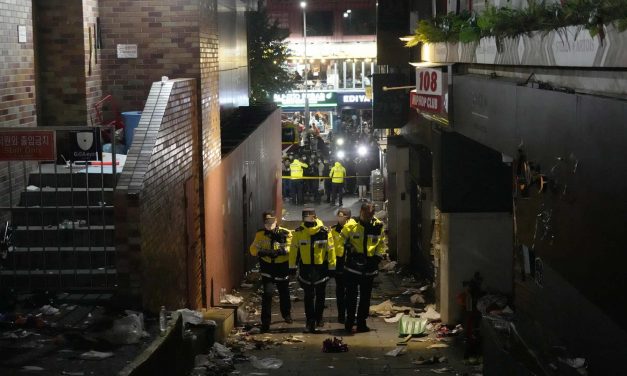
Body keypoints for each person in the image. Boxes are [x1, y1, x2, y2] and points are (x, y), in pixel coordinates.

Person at [341, 202, 387, 333]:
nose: (370, 217)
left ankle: (362, 323)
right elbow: (340, 240)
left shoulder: (377, 226)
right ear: (361, 211)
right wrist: (349, 248)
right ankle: (349, 322)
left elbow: (381, 244)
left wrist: (377, 258)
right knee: (350, 297)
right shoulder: (351, 225)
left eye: (372, 214)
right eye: (367, 214)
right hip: (352, 268)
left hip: (369, 268)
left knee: (365, 298)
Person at [289, 208, 336, 333]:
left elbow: (331, 250)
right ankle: (310, 321)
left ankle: (319, 318)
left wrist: (332, 267)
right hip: (305, 268)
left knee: (320, 295)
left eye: (310, 217)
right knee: (308, 296)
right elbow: (294, 250)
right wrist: (292, 266)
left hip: (321, 269)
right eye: (305, 218)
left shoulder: (325, 232)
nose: (308, 220)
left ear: (315, 217)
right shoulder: (299, 232)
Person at [249, 211, 293, 332]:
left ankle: (286, 314)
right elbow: (252, 249)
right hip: (267, 267)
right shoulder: (260, 234)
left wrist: (281, 251)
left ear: (276, 221)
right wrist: (262, 252)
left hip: (281, 267)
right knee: (267, 294)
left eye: (271, 222)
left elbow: (292, 246)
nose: (269, 225)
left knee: (283, 292)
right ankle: (265, 322)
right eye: (266, 222)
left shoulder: (285, 232)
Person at [331, 207, 356, 324]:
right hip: (339, 265)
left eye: (343, 216)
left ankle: (350, 314)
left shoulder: (355, 229)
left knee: (351, 292)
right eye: (339, 216)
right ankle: (341, 315)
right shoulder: (333, 231)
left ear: (348, 217)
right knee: (340, 291)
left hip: (351, 265)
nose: (340, 218)